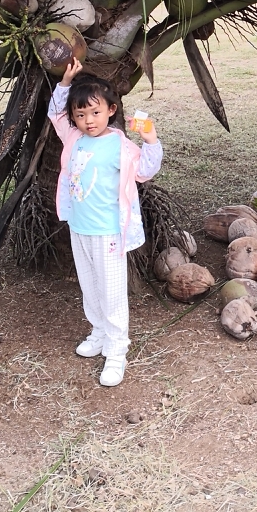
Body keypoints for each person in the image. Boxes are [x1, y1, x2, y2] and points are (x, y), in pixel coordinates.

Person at [47, 60, 161, 387]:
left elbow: (145, 171)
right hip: (79, 228)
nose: (88, 120)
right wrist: (66, 81)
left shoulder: (120, 146)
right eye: (80, 115)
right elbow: (56, 113)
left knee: (112, 292)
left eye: (95, 113)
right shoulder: (73, 138)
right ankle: (98, 331)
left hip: (109, 232)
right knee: (90, 285)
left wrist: (151, 140)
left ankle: (116, 350)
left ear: (111, 110)